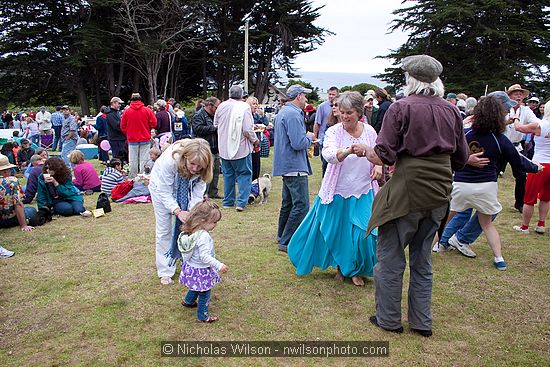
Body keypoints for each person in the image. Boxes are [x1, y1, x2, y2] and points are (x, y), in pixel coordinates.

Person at [352, 55, 469, 337]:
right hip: (440, 193)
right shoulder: (452, 111)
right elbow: (462, 158)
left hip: (407, 191)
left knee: (390, 258)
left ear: (410, 80)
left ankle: (389, 319)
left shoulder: (401, 107)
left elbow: (383, 155)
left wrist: (363, 150)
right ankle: (421, 322)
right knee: (423, 259)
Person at [288, 91, 381, 286]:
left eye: (350, 113)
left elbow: (379, 153)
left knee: (363, 234)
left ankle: (356, 269)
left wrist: (379, 165)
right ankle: (343, 267)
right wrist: (347, 151)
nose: (345, 116)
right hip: (337, 190)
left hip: (363, 189)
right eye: (342, 112)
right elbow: (328, 155)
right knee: (338, 233)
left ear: (359, 112)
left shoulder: (370, 131)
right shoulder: (334, 131)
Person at [444, 96, 541, 270]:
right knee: (487, 223)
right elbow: (517, 162)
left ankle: (433, 246)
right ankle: (499, 258)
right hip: (485, 186)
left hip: (461, 185)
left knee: (445, 217)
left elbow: (449, 154)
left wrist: (465, 159)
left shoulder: (465, 133)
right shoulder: (500, 139)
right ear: (498, 114)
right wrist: (536, 168)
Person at [149, 138, 213, 285]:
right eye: (192, 164)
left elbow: (198, 192)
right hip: (161, 190)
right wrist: (177, 211)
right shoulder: (169, 161)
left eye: (200, 166)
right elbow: (164, 191)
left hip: (186, 191)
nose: (195, 169)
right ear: (185, 157)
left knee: (189, 227)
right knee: (164, 229)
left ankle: (188, 261)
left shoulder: (203, 168)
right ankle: (165, 270)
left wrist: (191, 213)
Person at [273, 84, 316, 252]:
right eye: (304, 96)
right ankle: (287, 240)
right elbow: (298, 143)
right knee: (301, 205)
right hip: (294, 165)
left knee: (289, 203)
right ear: (298, 96)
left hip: (287, 164)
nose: (306, 99)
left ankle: (282, 235)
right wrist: (309, 138)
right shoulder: (293, 114)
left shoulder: (284, 112)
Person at [178, 199, 228, 323]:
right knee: (205, 292)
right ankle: (203, 316)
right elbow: (204, 257)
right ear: (203, 221)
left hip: (191, 267)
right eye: (214, 222)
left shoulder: (192, 230)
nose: (216, 225)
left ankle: (188, 301)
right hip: (201, 270)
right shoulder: (204, 236)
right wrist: (219, 265)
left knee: (196, 286)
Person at [214, 86, 259, 211]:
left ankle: (228, 201)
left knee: (228, 175)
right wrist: (254, 140)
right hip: (240, 147)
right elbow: (247, 129)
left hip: (224, 147)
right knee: (244, 174)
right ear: (242, 96)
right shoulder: (244, 108)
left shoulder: (221, 106)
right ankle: (241, 202)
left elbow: (216, 124)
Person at [501, 84, 541, 213]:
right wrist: (509, 121)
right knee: (492, 173)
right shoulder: (502, 108)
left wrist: (522, 126)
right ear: (509, 96)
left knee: (521, 175)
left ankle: (519, 203)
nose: (518, 96)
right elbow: (495, 123)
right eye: (515, 93)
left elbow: (536, 123)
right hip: (500, 145)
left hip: (516, 146)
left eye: (520, 94)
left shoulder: (526, 110)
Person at [513, 100, 550, 234]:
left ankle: (525, 227)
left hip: (539, 164)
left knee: (529, 198)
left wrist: (516, 117)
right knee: (546, 197)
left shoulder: (540, 125)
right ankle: (541, 224)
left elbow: (519, 128)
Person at [121, 93, 157, 179]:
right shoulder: (147, 110)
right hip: (145, 137)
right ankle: (142, 177)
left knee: (133, 159)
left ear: (131, 100)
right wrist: (148, 128)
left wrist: (128, 132)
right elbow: (154, 123)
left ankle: (132, 177)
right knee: (144, 159)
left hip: (132, 138)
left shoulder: (127, 112)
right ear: (141, 100)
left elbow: (122, 126)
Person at [192, 96, 221, 198]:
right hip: (204, 148)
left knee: (216, 171)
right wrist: (213, 128)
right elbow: (197, 129)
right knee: (205, 172)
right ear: (210, 105)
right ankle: (204, 193)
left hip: (215, 148)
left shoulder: (215, 115)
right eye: (216, 107)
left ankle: (213, 192)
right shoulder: (199, 115)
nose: (218, 109)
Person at [0, 154, 36, 231]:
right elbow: (18, 204)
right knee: (31, 210)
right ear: (6, 171)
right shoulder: (12, 181)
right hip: (7, 219)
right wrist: (24, 225)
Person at [314, 86, 339, 176]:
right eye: (330, 94)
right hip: (323, 139)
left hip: (336, 139)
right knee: (325, 164)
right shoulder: (322, 106)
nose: (331, 96)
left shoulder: (341, 107)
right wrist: (316, 138)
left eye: (333, 94)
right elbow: (317, 123)